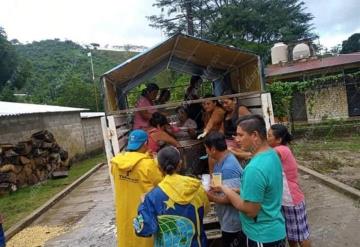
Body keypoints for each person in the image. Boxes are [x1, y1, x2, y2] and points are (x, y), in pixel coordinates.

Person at [215, 114, 286, 247]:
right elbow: (263, 191)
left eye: (241, 135)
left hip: (261, 236)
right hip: (276, 230)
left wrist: (224, 188)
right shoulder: (272, 154)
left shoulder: (254, 168)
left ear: (254, 135)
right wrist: (235, 190)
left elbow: (250, 210)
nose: (236, 140)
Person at [133, 146, 210, 246]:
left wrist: (143, 205)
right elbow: (205, 211)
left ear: (159, 168)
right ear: (180, 164)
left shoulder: (153, 196)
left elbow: (144, 229)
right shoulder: (197, 188)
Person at [111, 129, 163, 247]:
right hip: (143, 213)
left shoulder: (116, 163)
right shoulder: (148, 164)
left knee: (127, 239)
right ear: (145, 144)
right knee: (144, 241)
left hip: (124, 213)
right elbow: (161, 184)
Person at [268, 124, 311, 247]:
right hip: (286, 200)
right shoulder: (282, 149)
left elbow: (262, 158)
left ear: (279, 139)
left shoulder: (279, 150)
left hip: (292, 200)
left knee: (301, 236)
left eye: (269, 136)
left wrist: (236, 152)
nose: (267, 138)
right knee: (291, 235)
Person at [204, 131, 244, 247]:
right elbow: (223, 188)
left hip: (233, 222)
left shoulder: (228, 167)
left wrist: (211, 197)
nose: (206, 152)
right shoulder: (219, 162)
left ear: (213, 149)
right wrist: (215, 189)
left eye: (206, 148)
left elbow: (232, 198)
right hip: (226, 218)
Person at [221, 94, 252, 162]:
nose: (224, 105)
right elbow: (222, 131)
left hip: (238, 142)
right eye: (222, 103)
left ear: (234, 100)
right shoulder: (226, 114)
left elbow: (252, 125)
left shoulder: (240, 109)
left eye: (226, 102)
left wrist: (239, 137)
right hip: (228, 141)